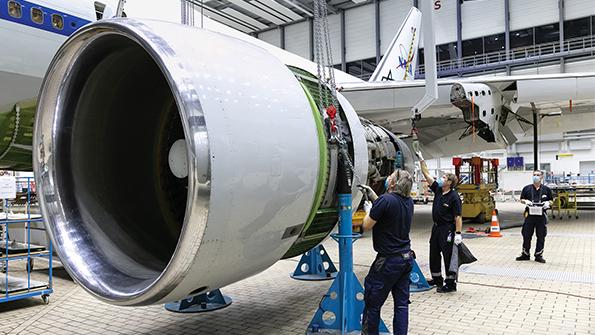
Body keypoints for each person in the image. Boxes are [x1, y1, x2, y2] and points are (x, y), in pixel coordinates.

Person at [356, 170, 414, 335]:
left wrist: (369, 210)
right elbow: (388, 208)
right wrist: (374, 197)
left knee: (372, 304)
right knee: (401, 305)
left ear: (394, 183)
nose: (387, 178)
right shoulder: (408, 201)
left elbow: (366, 226)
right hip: (405, 259)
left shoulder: (385, 201)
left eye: (391, 177)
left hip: (388, 262)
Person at [416, 151, 463, 293]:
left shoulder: (454, 197)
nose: (441, 179)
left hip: (447, 229)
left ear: (450, 183)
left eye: (444, 177)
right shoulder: (437, 190)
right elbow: (427, 175)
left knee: (448, 255)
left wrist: (458, 233)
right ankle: (437, 279)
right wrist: (422, 160)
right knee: (434, 253)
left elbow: (458, 217)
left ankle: (450, 283)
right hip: (436, 228)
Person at [516, 170, 553, 263]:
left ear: (542, 177)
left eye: (538, 175)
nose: (536, 176)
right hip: (529, 215)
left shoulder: (546, 190)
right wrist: (525, 201)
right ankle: (525, 253)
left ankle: (538, 255)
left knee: (541, 235)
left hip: (541, 216)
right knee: (526, 234)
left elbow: (552, 201)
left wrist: (548, 203)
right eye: (534, 175)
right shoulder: (527, 188)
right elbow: (521, 199)